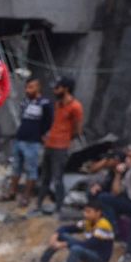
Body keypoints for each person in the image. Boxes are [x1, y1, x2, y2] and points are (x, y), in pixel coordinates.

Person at [39, 198, 114, 262]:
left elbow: (88, 244)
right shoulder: (88, 222)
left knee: (76, 249)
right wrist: (56, 234)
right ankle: (44, 261)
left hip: (99, 258)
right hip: (90, 251)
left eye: (89, 212)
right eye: (85, 211)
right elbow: (68, 228)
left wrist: (64, 244)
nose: (85, 214)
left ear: (98, 212)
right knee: (62, 236)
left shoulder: (103, 225)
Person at [36, 77, 84, 216]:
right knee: (45, 177)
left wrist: (65, 138)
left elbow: (77, 129)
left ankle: (59, 208)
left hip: (61, 147)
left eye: (57, 88)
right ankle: (39, 205)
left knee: (57, 178)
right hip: (50, 144)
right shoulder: (58, 104)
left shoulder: (75, 107)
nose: (54, 90)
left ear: (65, 89)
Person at [4, 78, 53, 206]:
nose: (27, 90)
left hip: (33, 142)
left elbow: (48, 122)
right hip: (20, 138)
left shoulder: (45, 104)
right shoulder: (25, 102)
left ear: (38, 88)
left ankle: (26, 196)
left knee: (31, 169)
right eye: (27, 87)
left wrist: (41, 135)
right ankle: (12, 191)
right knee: (16, 168)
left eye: (31, 87)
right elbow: (23, 118)